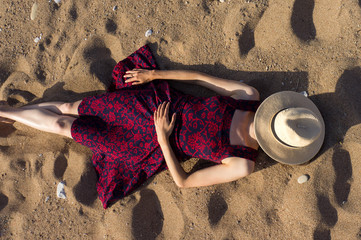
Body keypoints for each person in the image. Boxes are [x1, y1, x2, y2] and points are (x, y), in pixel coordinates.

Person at [0, 45, 324, 208]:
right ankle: (7, 111)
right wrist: (152, 76)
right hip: (150, 104)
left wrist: (163, 139)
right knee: (72, 107)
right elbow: (199, 79)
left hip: (150, 143)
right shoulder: (247, 97)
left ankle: (8, 113)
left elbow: (183, 182)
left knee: (64, 125)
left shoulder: (242, 163)